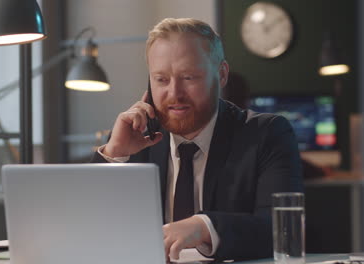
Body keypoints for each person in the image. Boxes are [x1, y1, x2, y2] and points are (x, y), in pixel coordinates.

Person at [91, 18, 303, 261]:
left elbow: (282, 231)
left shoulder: (267, 134)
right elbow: (86, 231)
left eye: (189, 77)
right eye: (161, 80)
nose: (174, 94)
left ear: (222, 75)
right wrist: (115, 154)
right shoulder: (133, 138)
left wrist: (203, 227)